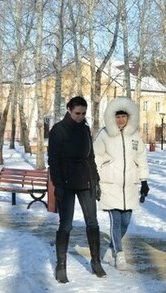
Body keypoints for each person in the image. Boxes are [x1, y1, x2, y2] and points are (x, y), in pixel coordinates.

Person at [48, 96, 106, 283]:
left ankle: (96, 262)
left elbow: (90, 158)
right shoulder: (58, 130)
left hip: (85, 182)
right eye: (77, 113)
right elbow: (53, 161)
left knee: (93, 223)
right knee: (66, 225)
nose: (80, 117)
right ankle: (61, 265)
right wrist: (57, 185)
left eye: (83, 113)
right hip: (66, 183)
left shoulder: (85, 130)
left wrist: (95, 181)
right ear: (68, 110)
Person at [93, 97, 149, 271]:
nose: (121, 120)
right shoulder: (104, 134)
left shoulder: (135, 136)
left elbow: (141, 158)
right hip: (110, 184)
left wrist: (144, 181)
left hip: (129, 186)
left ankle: (111, 249)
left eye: (124, 116)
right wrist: (97, 179)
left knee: (125, 222)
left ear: (129, 117)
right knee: (115, 220)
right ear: (112, 117)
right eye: (117, 116)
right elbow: (96, 157)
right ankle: (119, 253)